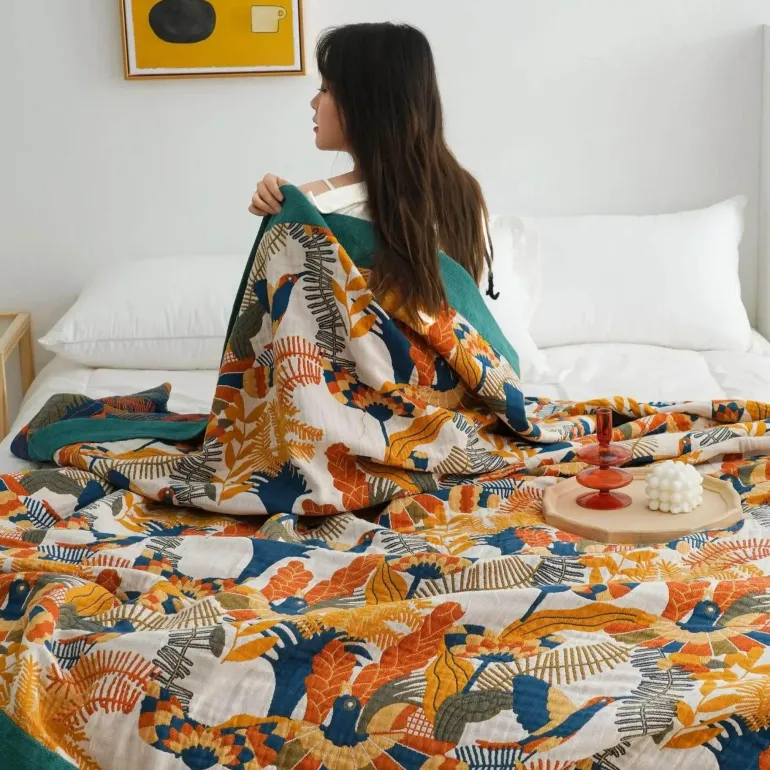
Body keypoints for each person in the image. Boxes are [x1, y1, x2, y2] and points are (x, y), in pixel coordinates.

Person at [249, 21, 498, 320]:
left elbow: (280, 322)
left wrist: (288, 207)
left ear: (366, 104)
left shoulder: (317, 207)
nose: (314, 102)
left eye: (325, 89)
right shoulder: (465, 196)